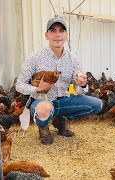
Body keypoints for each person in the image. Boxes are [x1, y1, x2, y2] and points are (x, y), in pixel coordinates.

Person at [16, 17, 102, 145]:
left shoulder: (73, 59)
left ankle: (60, 119)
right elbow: (19, 85)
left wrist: (82, 84)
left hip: (63, 100)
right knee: (44, 108)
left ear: (66, 35)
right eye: (53, 31)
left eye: (61, 31)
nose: (57, 35)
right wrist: (37, 89)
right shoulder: (35, 57)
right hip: (41, 100)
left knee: (97, 104)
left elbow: (78, 91)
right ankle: (43, 126)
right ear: (47, 35)